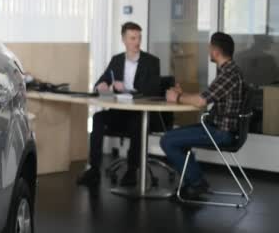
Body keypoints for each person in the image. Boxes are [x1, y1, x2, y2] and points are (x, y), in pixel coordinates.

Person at [77, 22, 161, 187]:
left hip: (140, 113)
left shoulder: (151, 62)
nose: (137, 42)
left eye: (139, 38)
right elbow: (103, 80)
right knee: (98, 118)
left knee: (136, 124)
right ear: (124, 39)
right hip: (120, 112)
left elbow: (153, 90)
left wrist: (129, 89)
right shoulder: (117, 60)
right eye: (133, 38)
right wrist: (100, 86)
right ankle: (94, 169)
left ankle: (132, 171)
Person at [162, 32, 244, 199]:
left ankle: (197, 182)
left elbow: (200, 102)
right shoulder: (230, 70)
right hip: (217, 127)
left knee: (167, 140)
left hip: (221, 133)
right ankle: (191, 183)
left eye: (209, 48)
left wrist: (177, 97)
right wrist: (184, 94)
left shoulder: (228, 74)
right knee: (177, 139)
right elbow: (207, 95)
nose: (208, 51)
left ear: (215, 52)